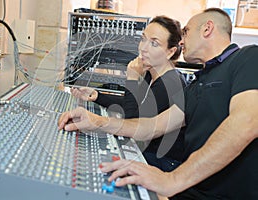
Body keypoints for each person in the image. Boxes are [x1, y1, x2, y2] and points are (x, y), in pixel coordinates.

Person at [58, 7, 258, 199]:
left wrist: (172, 179)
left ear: (207, 29)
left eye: (186, 31)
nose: (181, 40)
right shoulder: (198, 83)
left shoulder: (248, 57)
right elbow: (152, 127)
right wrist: (98, 122)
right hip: (194, 190)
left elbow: (247, 122)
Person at [71, 16, 186, 172]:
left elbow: (133, 123)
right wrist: (97, 96)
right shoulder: (151, 73)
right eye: (143, 39)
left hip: (163, 162)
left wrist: (132, 79)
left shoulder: (170, 83)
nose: (143, 48)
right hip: (147, 151)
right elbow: (133, 105)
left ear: (170, 52)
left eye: (154, 43)